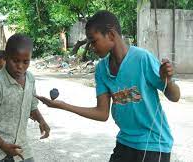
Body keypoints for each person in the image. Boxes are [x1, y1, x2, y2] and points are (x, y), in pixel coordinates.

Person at [36, 10, 180, 162]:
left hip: (152, 145)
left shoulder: (142, 59)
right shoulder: (101, 70)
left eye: (93, 41)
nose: (91, 46)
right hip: (125, 142)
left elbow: (175, 96)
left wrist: (167, 80)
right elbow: (102, 113)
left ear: (111, 35)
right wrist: (63, 105)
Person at [0, 33, 50, 162]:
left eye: (26, 62)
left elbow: (31, 106)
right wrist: (4, 146)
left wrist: (42, 121)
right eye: (15, 61)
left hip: (19, 142)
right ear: (6, 57)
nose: (20, 66)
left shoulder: (30, 79)